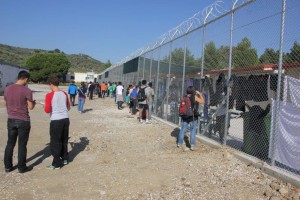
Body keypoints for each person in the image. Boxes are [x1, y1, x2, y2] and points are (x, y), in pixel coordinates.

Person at [4, 70, 36, 173]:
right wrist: (33, 103)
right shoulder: (27, 90)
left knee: (10, 143)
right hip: (23, 120)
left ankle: (8, 166)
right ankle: (21, 167)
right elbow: (31, 107)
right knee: (22, 144)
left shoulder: (7, 89)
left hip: (11, 119)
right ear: (26, 79)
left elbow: (7, 103)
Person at [44, 77, 70, 169]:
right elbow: (68, 106)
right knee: (64, 139)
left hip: (56, 120)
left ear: (51, 84)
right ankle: (64, 158)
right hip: (65, 119)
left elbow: (47, 110)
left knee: (55, 141)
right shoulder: (64, 93)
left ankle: (56, 163)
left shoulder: (49, 95)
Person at [177, 86, 204, 151]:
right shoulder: (194, 97)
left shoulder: (185, 97)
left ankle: (179, 143)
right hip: (193, 116)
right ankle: (192, 145)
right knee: (193, 130)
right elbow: (202, 101)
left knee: (183, 129)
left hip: (185, 116)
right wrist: (199, 94)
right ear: (193, 91)